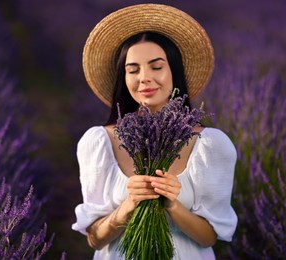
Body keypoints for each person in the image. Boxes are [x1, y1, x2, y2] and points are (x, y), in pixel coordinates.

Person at [72, 4, 237, 259]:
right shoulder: (100, 142)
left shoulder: (210, 145)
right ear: (123, 77)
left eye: (156, 66)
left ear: (174, 71)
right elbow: (94, 238)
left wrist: (173, 205)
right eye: (133, 70)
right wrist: (127, 207)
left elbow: (209, 237)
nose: (144, 78)